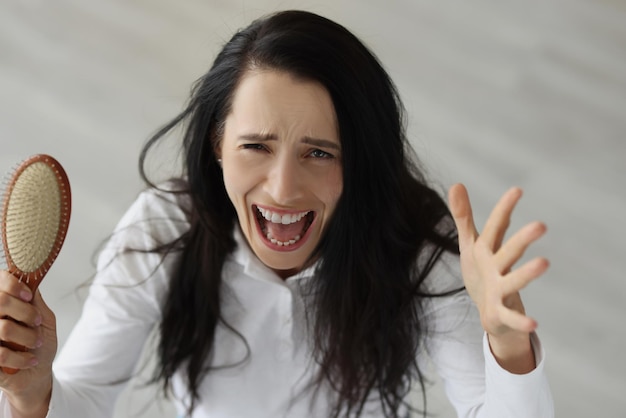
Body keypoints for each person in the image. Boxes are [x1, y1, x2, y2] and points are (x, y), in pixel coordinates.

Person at [0, 9, 554, 418]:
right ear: (216, 144)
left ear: (360, 160)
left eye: (319, 152)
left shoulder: (414, 246)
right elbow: (85, 399)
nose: (283, 189)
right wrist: (31, 392)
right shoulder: (165, 229)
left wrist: (507, 348)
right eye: (256, 147)